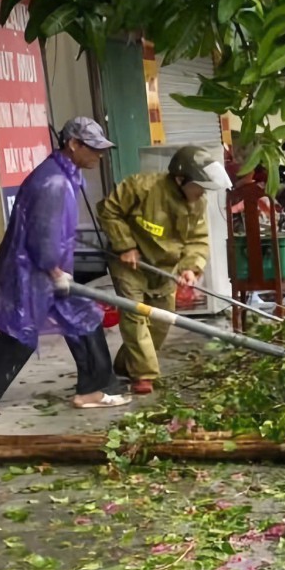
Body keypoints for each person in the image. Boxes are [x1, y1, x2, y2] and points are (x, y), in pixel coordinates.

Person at [0, 118, 131, 417]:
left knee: (79, 320)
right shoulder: (54, 182)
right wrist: (55, 271)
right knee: (26, 331)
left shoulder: (63, 174)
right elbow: (44, 233)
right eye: (93, 148)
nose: (98, 155)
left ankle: (93, 389)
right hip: (33, 271)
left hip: (38, 268)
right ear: (73, 144)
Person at [98, 145, 231, 395]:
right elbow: (109, 211)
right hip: (131, 265)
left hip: (164, 269)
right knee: (135, 315)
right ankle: (143, 375)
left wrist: (191, 268)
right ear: (181, 179)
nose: (202, 193)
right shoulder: (142, 187)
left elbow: (197, 240)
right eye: (198, 186)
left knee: (161, 319)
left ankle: (127, 364)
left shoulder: (196, 204)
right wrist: (125, 245)